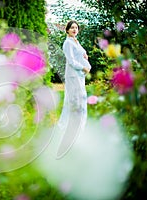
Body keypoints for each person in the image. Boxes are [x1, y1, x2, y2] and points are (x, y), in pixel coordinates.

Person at [57, 20, 91, 158]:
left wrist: (85, 58)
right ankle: (69, 126)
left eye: (76, 28)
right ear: (67, 30)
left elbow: (80, 55)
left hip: (79, 76)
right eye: (72, 28)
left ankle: (79, 125)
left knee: (81, 99)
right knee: (75, 100)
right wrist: (83, 67)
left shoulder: (76, 41)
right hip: (73, 75)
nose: (74, 29)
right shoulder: (68, 43)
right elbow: (71, 60)